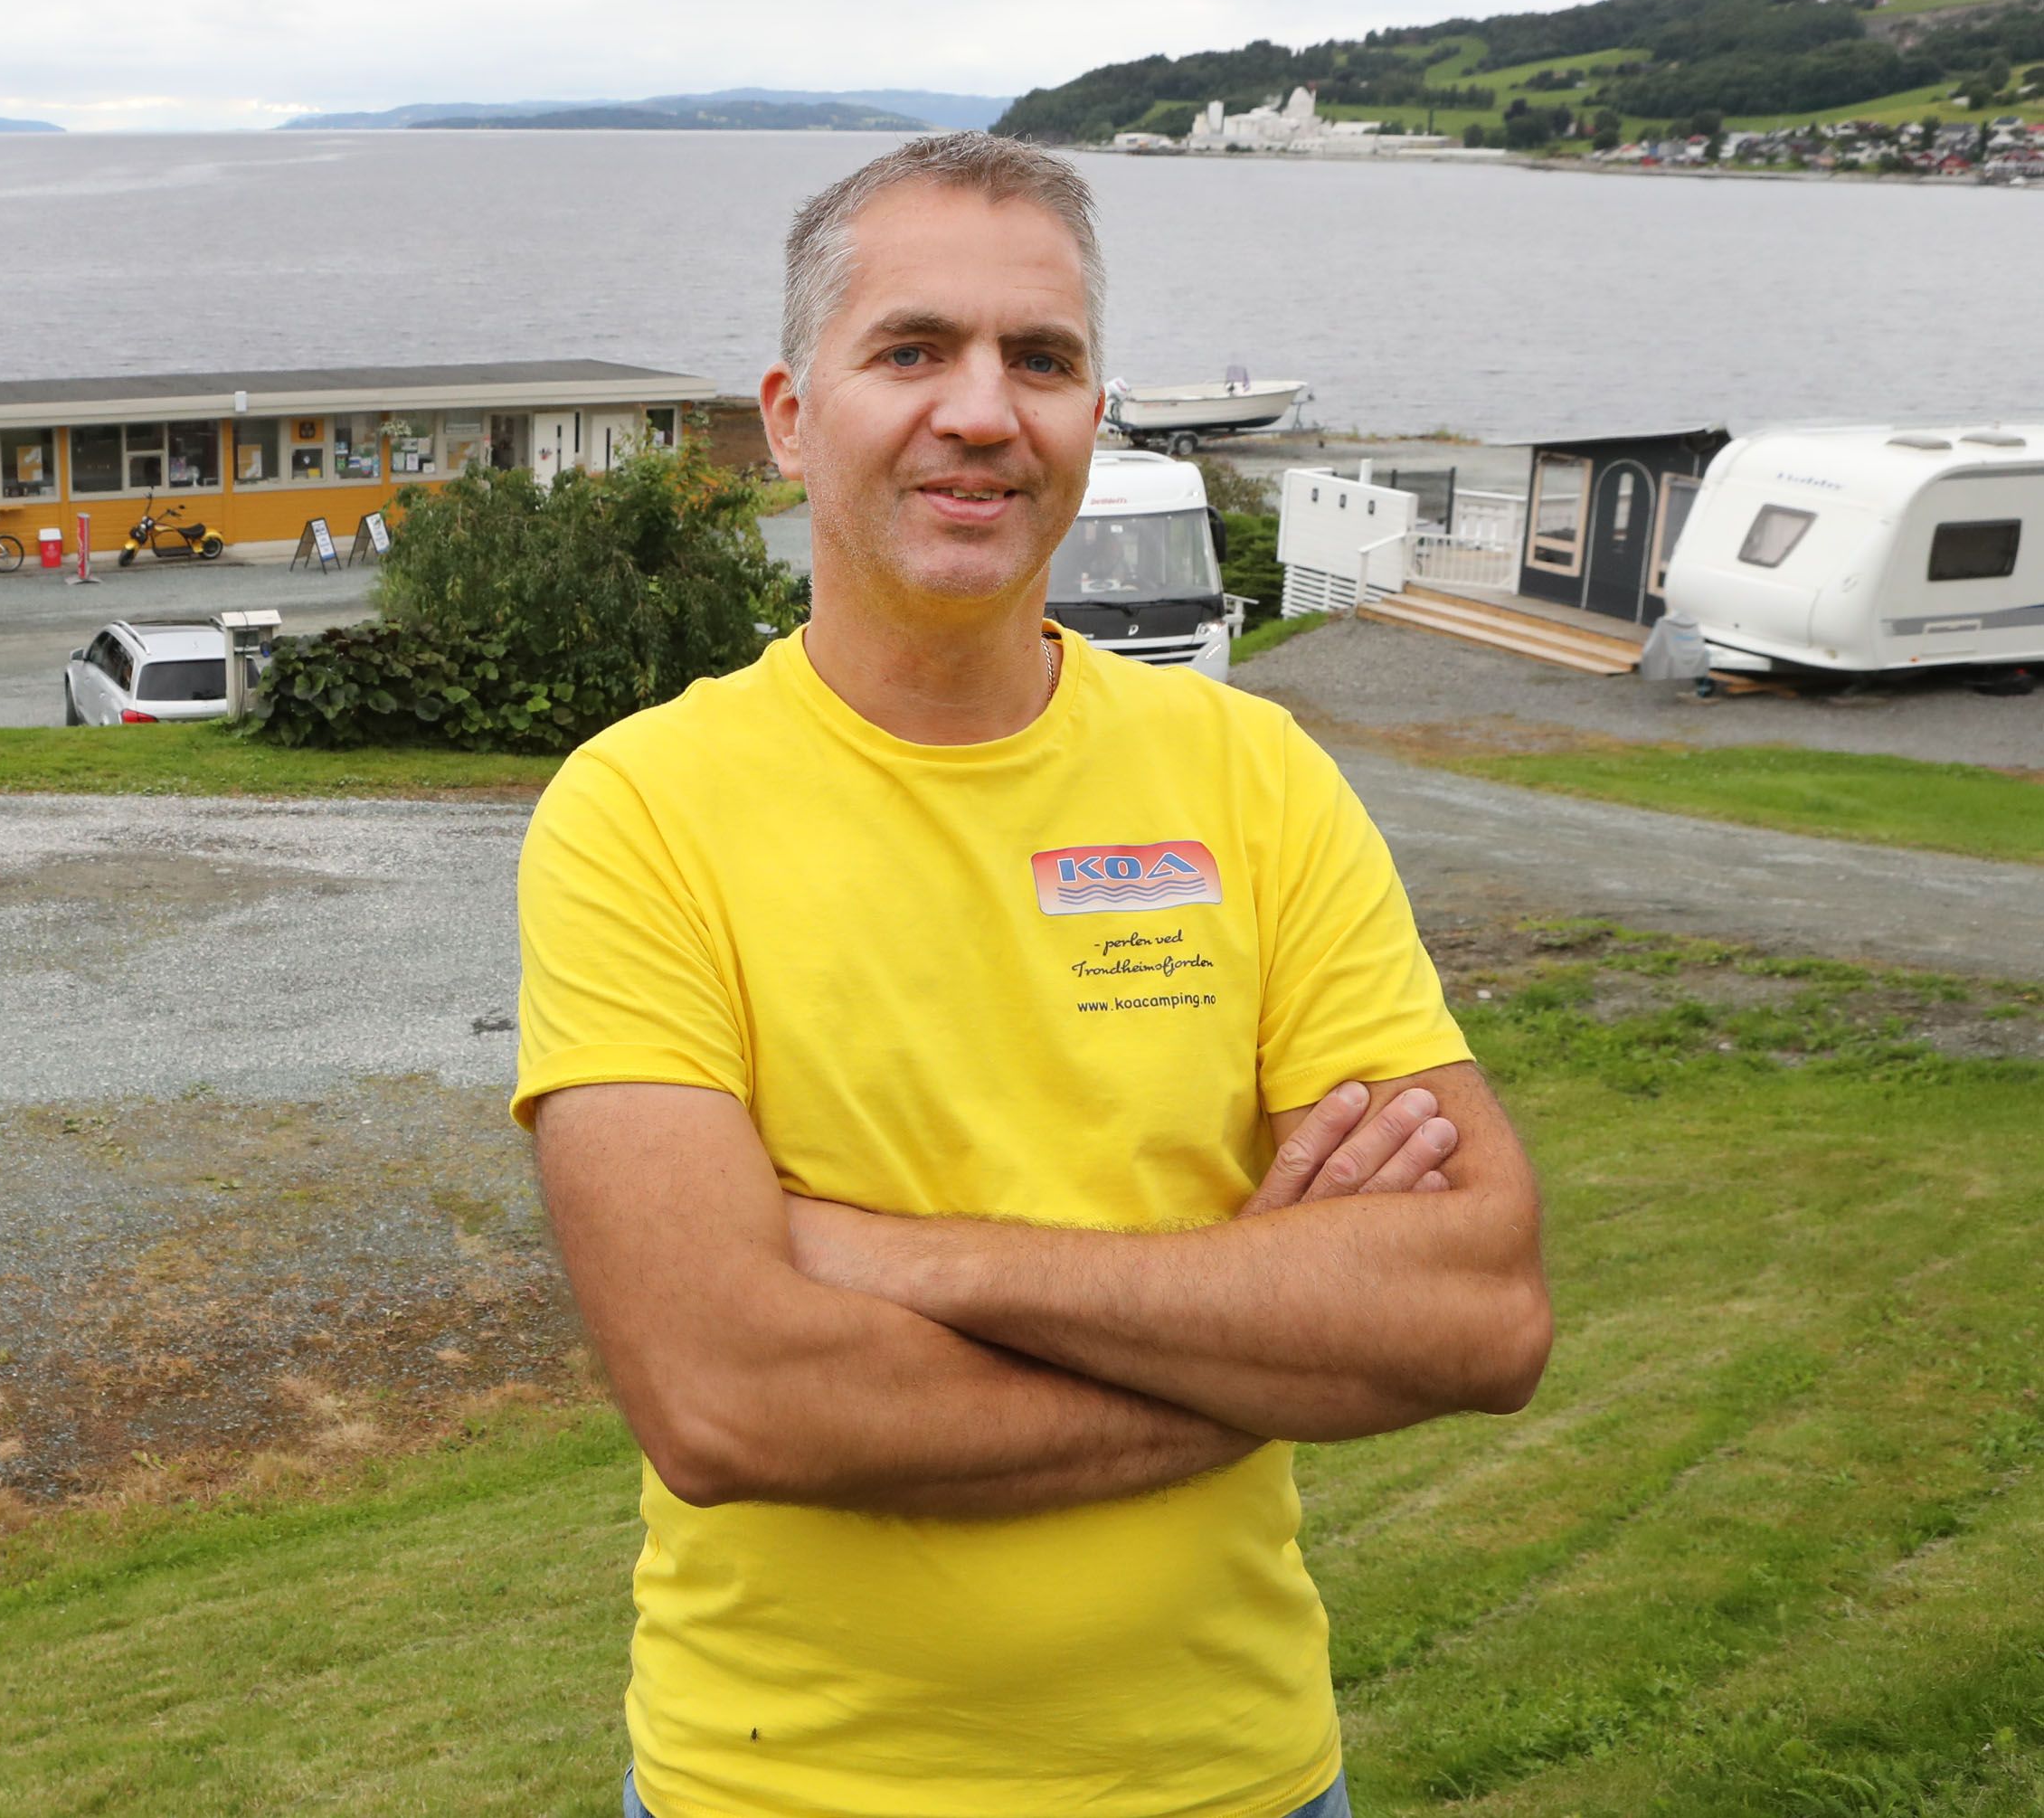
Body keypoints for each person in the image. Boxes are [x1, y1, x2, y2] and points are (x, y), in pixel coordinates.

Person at [513, 132, 1554, 1818]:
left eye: (1043, 360)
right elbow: (727, 1398)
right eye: (913, 349)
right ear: (791, 417)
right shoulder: (642, 811)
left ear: (1093, 414)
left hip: (1242, 1783)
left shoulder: (1255, 778)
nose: (984, 412)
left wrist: (885, 1256)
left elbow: (1478, 1311)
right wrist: (1259, 1347)